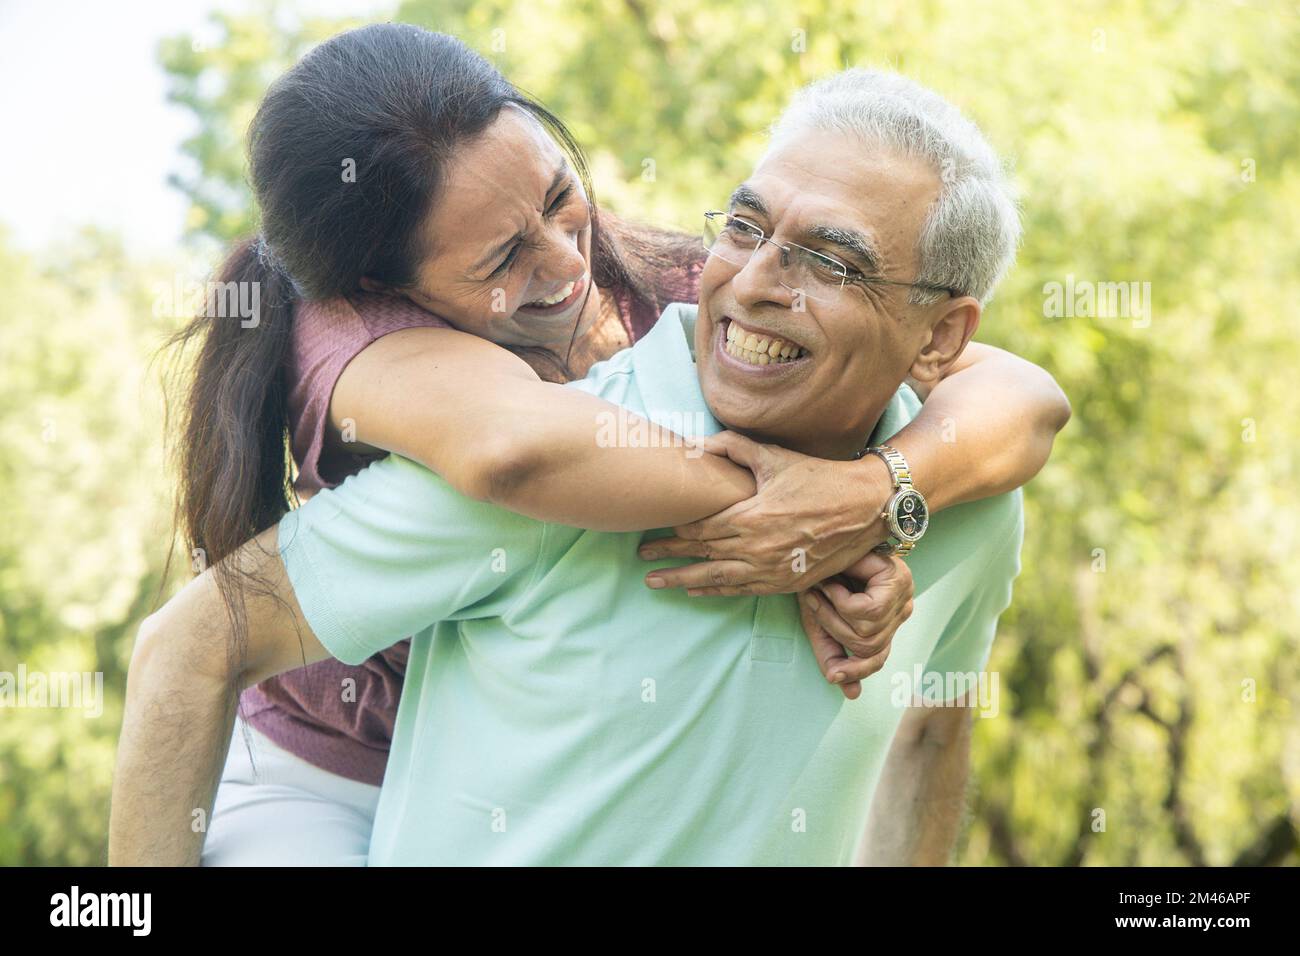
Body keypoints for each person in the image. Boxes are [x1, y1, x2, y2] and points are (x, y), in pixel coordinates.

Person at [114, 65, 1052, 865]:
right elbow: (512, 451)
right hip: (321, 770)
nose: (568, 263)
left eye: (561, 200)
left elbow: (1025, 396)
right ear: (392, 286)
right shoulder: (370, 350)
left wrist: (878, 493)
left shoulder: (682, 277)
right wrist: (809, 520)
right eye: (503, 258)